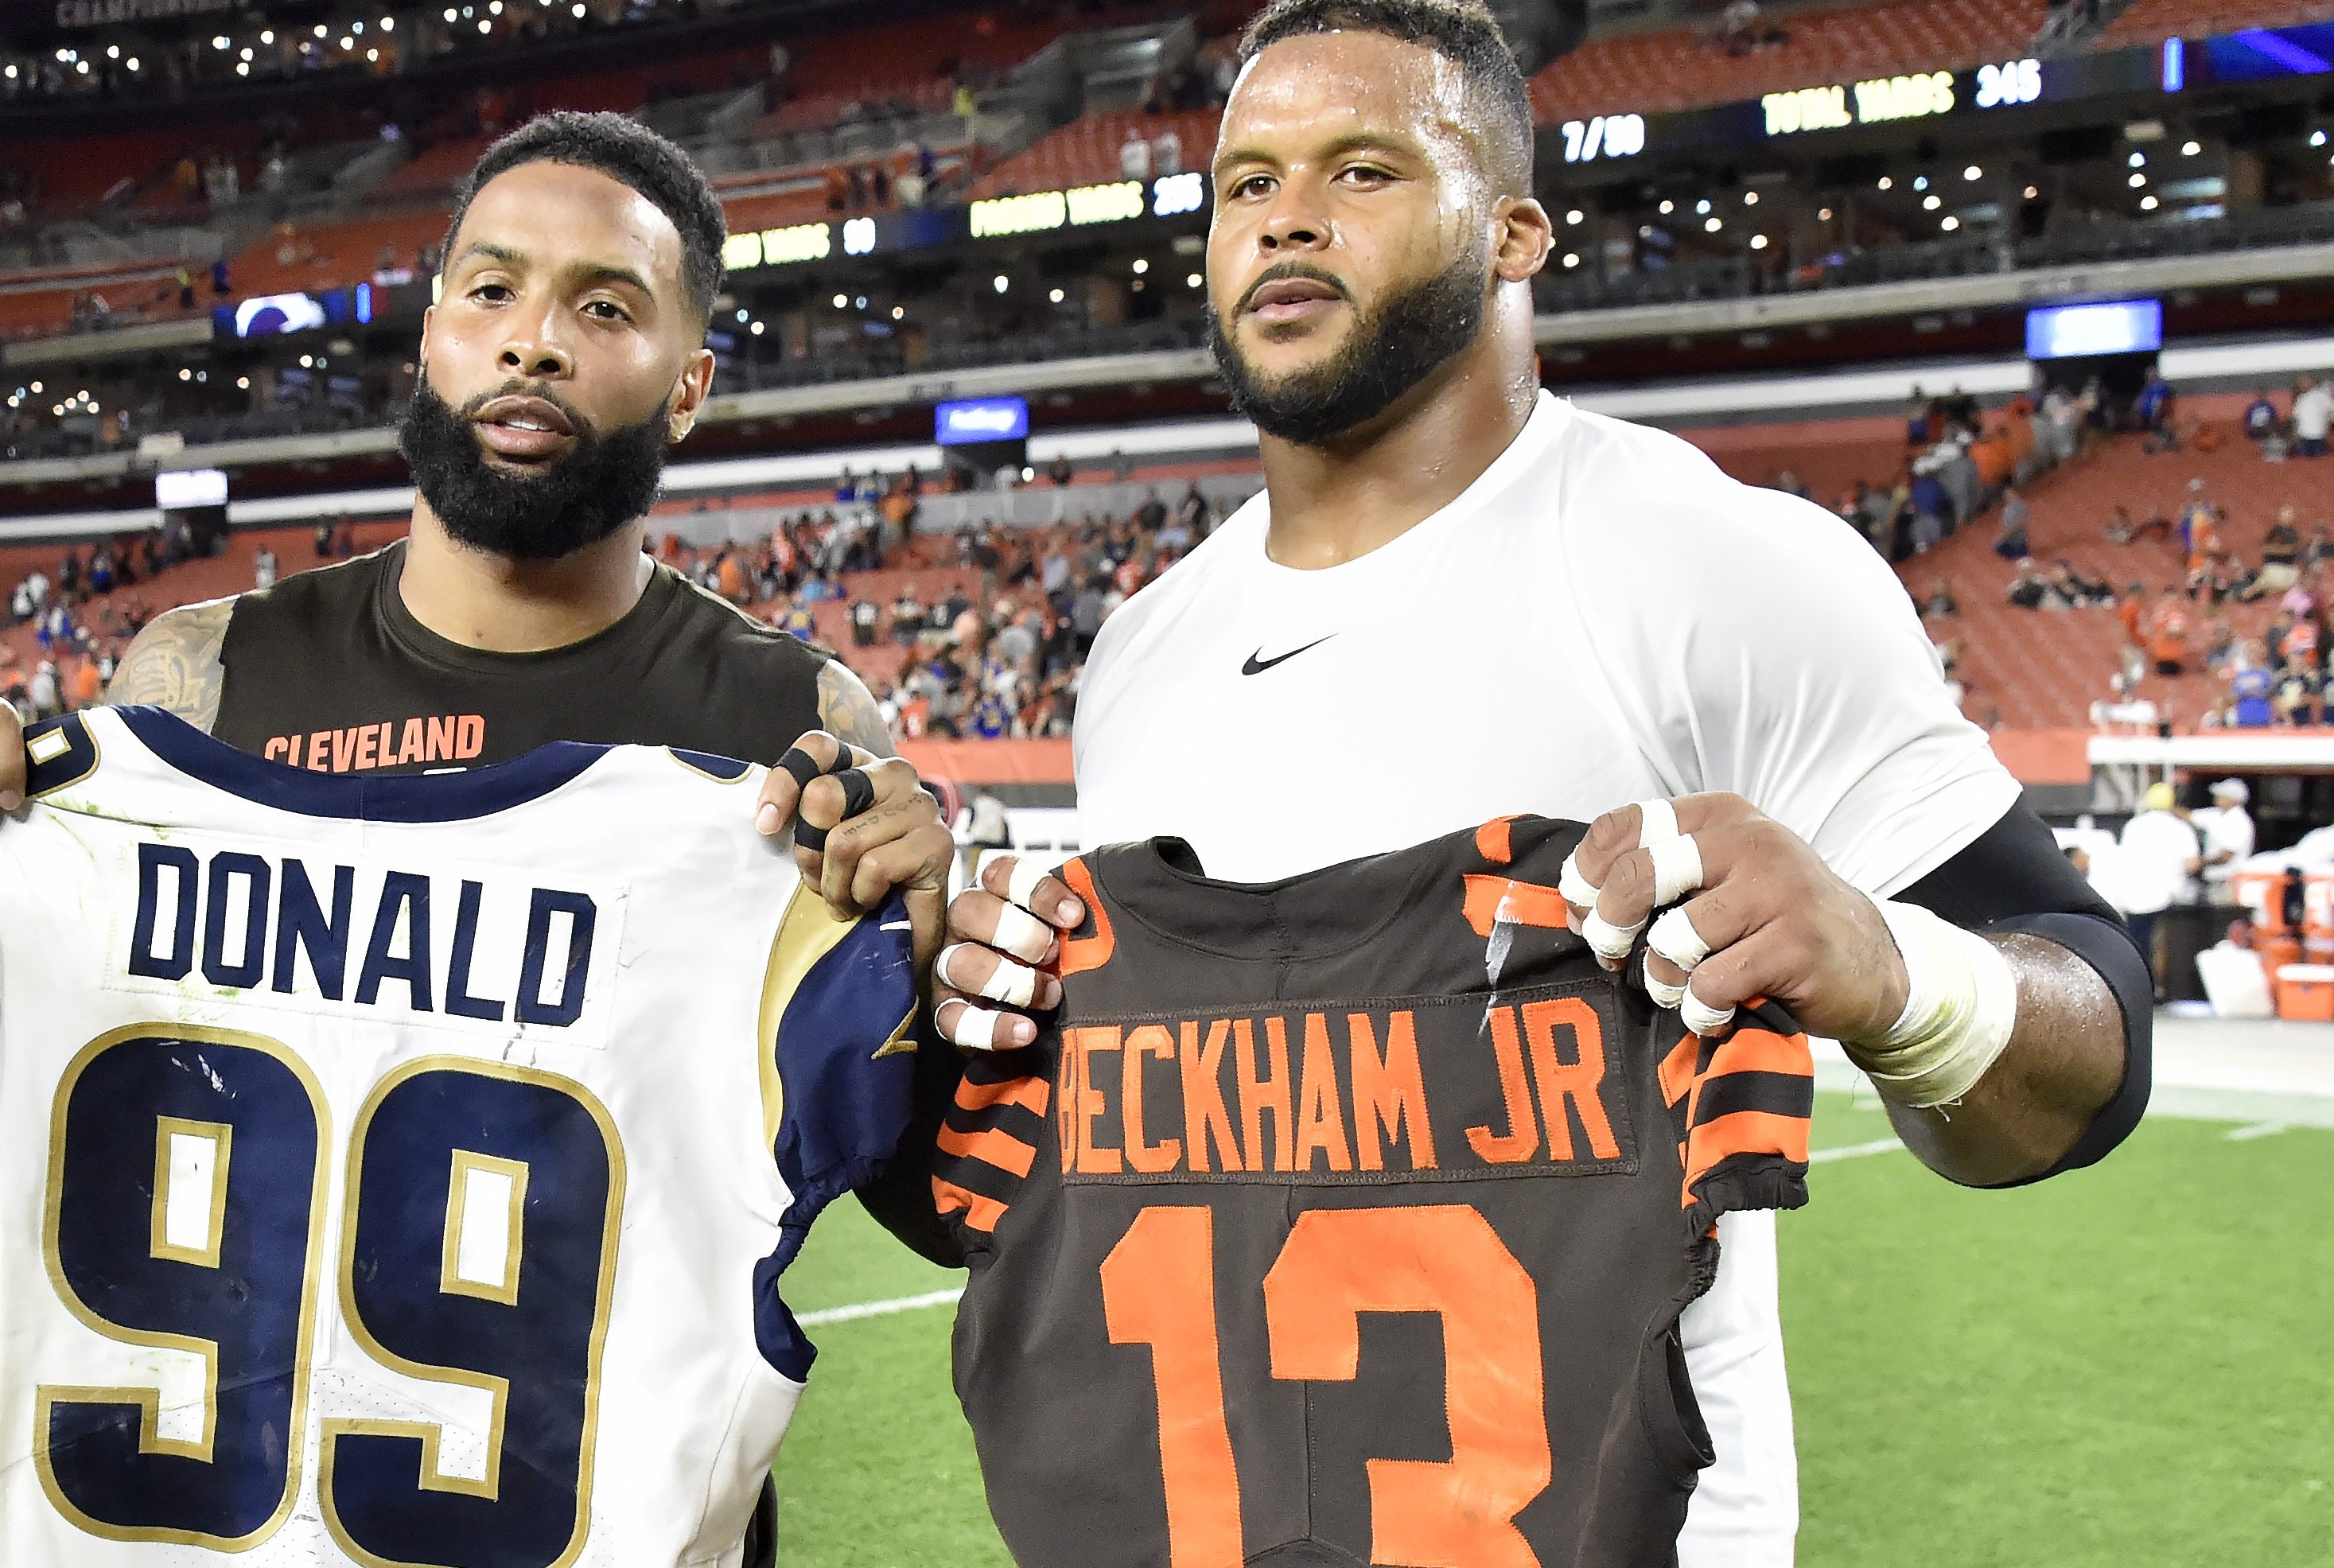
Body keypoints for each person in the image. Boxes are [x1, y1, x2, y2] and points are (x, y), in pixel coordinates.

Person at [921, 5, 2148, 1564]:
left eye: (1361, 168)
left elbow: (2095, 1054)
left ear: (1515, 233)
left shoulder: (1712, 567)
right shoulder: (1143, 652)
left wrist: (1905, 979)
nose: (1285, 214)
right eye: (1245, 183)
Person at [0, 110, 953, 1567]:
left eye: (601, 306)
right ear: (429, 338)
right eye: (489, 291)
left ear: (686, 389)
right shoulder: (200, 677)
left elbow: (927, 1201)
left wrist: (923, 951)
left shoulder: (790, 724)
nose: (532, 341)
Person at [2114, 781, 2200, 998]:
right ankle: (2163, 990)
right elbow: (2192, 864)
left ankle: (2139, 991)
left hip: (2136, 896)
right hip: (2170, 897)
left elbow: (2124, 859)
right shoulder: (2180, 828)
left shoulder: (2133, 826)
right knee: (2165, 946)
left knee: (2138, 946)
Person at [2196, 776, 2256, 889]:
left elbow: (2226, 856)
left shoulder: (2239, 821)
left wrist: (2200, 862)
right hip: (2214, 881)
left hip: (2227, 883)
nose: (2217, 797)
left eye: (2221, 795)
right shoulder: (2217, 814)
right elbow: (2190, 816)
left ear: (2233, 799)